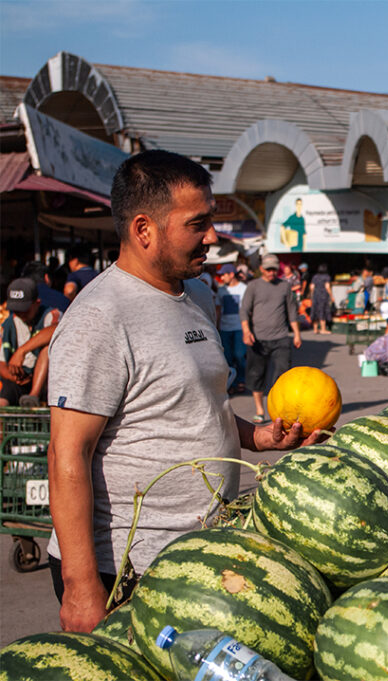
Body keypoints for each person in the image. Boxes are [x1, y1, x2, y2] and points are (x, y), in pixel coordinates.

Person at [46, 150, 321, 633]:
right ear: (143, 230)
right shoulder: (100, 317)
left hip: (199, 555)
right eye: (198, 224)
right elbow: (66, 455)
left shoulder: (195, 294)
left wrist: (259, 439)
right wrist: (80, 585)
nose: (213, 237)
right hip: (128, 569)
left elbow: (193, 406)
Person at [241, 254, 301, 423]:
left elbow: (292, 312)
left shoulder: (284, 287)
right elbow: (244, 310)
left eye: (274, 269)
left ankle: (278, 409)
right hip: (258, 339)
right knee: (257, 374)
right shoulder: (253, 286)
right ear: (261, 269)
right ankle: (260, 409)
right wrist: (246, 331)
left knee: (283, 375)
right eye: (268, 269)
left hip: (281, 337)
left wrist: (296, 334)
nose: (271, 272)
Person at [1, 278, 57, 407]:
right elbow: (1, 362)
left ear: (37, 303)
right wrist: (13, 376)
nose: (21, 314)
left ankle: (34, 396)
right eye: (16, 310)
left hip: (47, 382)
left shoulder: (49, 315)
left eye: (24, 309)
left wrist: (21, 351)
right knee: (4, 398)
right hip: (20, 380)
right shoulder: (10, 323)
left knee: (46, 349)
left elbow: (56, 329)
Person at [216, 264, 248, 393]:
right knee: (227, 357)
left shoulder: (244, 289)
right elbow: (218, 309)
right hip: (225, 328)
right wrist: (216, 326)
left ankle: (241, 380)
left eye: (224, 274)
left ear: (231, 274)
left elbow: (247, 309)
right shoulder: (221, 290)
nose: (222, 277)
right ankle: (231, 383)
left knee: (239, 355)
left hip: (239, 327)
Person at [310, 263, 333, 335]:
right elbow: (327, 287)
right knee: (323, 311)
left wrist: (311, 296)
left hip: (315, 296)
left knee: (315, 311)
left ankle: (315, 329)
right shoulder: (327, 277)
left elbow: (312, 287)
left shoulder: (315, 277)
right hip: (323, 296)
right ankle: (323, 329)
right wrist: (331, 296)